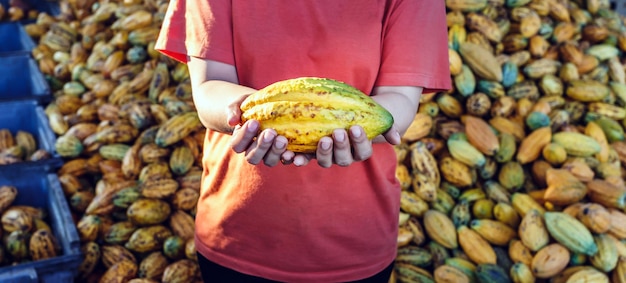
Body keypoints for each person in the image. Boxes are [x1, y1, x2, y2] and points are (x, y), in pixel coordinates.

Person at [155, 1, 451, 282]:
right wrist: (249, 113)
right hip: (237, 232)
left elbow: (398, 102)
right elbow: (208, 86)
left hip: (354, 241)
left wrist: (358, 133)